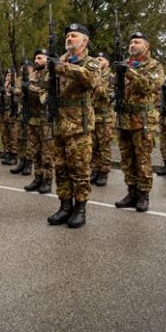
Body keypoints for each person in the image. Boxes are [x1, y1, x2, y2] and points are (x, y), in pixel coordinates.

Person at [46, 24, 99, 228]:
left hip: (79, 125)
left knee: (79, 169)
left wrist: (60, 67)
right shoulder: (57, 62)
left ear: (84, 41)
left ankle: (80, 209)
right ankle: (65, 206)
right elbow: (48, 87)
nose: (69, 38)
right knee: (60, 168)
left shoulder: (91, 62)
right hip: (59, 124)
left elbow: (91, 79)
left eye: (74, 35)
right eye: (67, 35)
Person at [113, 32, 164, 212]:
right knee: (127, 159)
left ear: (146, 46)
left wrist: (128, 72)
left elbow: (149, 86)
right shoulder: (123, 64)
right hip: (124, 119)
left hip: (142, 119)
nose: (132, 44)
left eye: (137, 42)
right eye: (131, 42)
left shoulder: (155, 65)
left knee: (142, 159)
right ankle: (131, 191)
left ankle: (143, 194)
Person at [24, 49, 54, 194]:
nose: (37, 61)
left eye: (40, 58)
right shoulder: (32, 75)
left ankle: (47, 180)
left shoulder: (51, 75)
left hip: (46, 119)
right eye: (35, 58)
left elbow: (45, 96)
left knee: (47, 152)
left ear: (47, 60)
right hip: (33, 118)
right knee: (35, 150)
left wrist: (31, 88)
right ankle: (37, 177)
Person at [90, 52, 115, 186]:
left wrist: (96, 84)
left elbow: (108, 94)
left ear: (107, 63)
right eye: (96, 59)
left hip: (105, 117)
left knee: (104, 146)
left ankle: (104, 172)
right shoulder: (93, 74)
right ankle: (94, 170)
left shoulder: (111, 77)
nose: (98, 61)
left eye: (101, 59)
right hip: (93, 116)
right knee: (93, 146)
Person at [0, 69, 19, 165]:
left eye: (10, 75)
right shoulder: (6, 87)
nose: (8, 77)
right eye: (7, 75)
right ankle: (7, 152)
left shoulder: (16, 86)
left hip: (14, 114)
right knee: (6, 133)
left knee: (13, 135)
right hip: (6, 113)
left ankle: (14, 155)